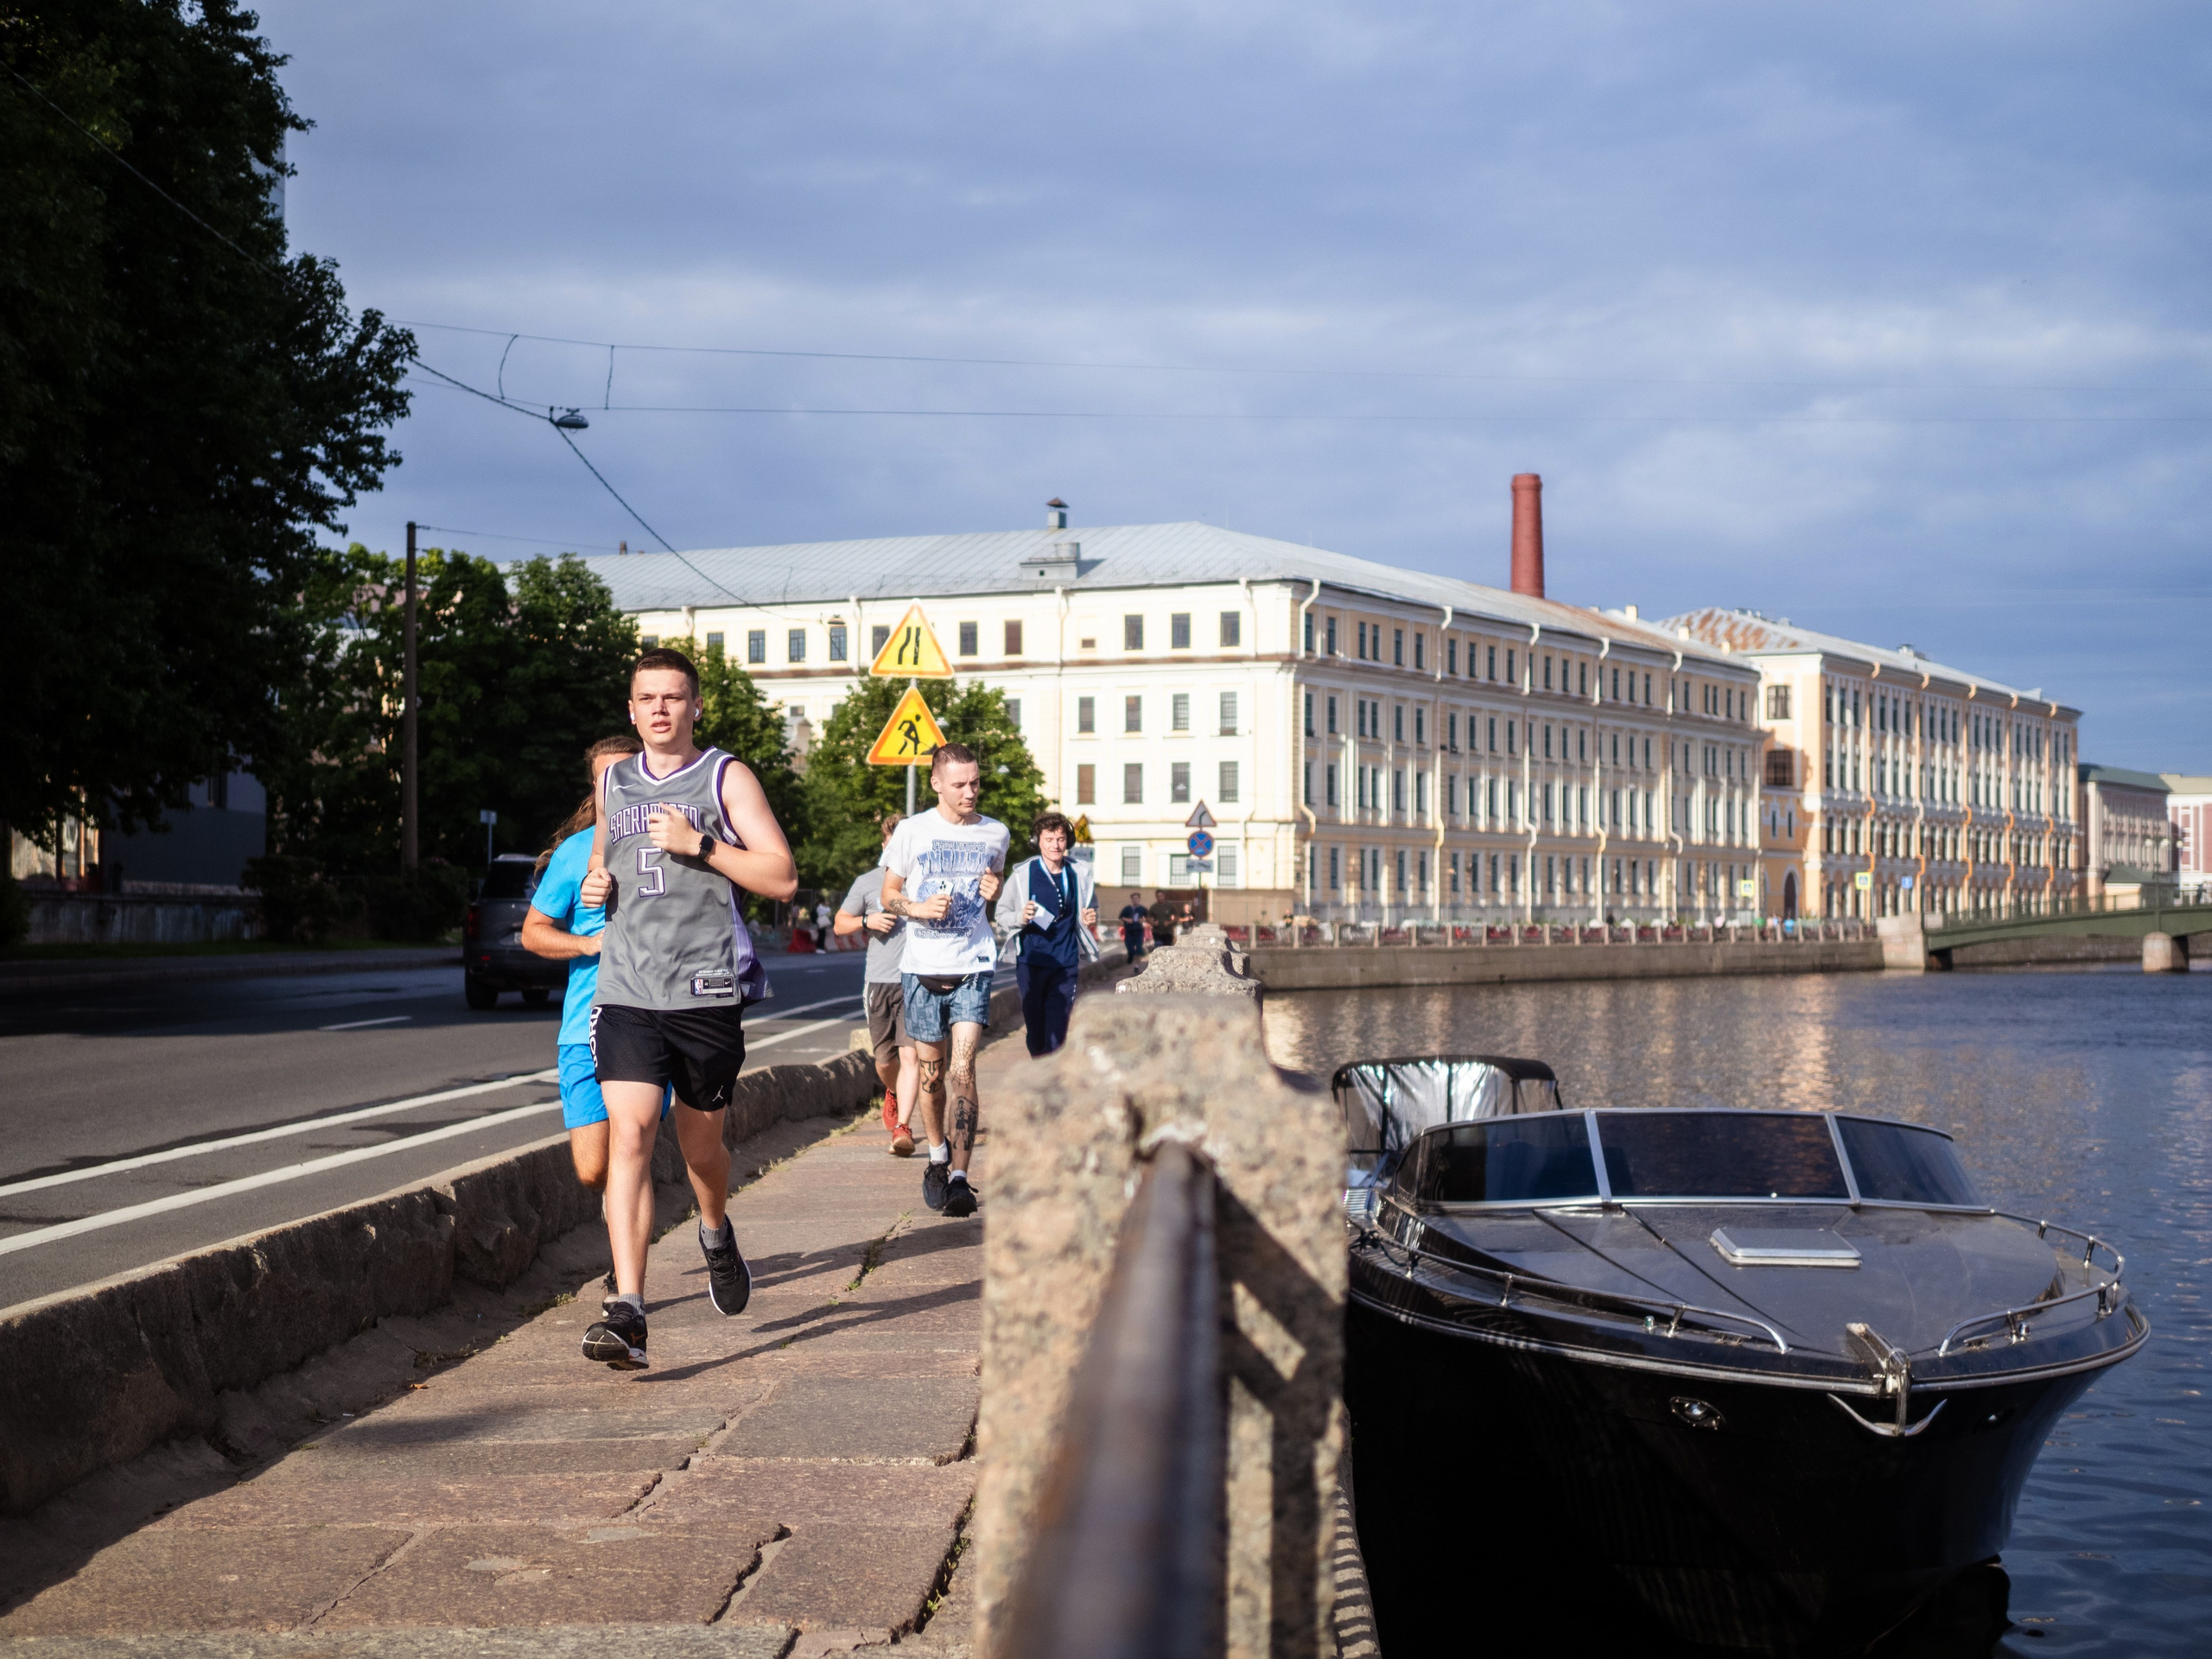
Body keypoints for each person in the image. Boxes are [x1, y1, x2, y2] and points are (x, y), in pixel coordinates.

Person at [575, 647, 798, 1370]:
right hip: (627, 989)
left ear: (696, 706)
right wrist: (596, 883)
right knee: (631, 1133)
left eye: (674, 697)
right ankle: (629, 1312)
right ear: (632, 709)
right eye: (648, 698)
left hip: (704, 990)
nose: (661, 709)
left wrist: (702, 844)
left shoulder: (726, 777)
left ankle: (714, 1230)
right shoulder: (614, 780)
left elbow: (782, 877)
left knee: (702, 1150)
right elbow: (604, 859)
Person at [520, 734, 667, 1195]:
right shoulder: (575, 853)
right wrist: (588, 945)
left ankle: (627, 1245)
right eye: (605, 778)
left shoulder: (672, 841)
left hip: (652, 1020)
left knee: (632, 1149)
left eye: (625, 774)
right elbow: (533, 932)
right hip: (583, 1027)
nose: (615, 786)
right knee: (592, 1170)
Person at [880, 743, 1007, 1220]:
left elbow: (993, 880)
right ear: (936, 783)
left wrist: (994, 888)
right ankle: (936, 1157)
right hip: (922, 968)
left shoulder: (996, 832)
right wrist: (916, 908)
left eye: (975, 782)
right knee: (931, 1079)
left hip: (973, 964)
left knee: (963, 1071)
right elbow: (888, 893)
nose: (970, 792)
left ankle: (959, 1177)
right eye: (960, 784)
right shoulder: (912, 832)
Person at [834, 815, 918, 1155]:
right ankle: (893, 1091)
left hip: (915, 980)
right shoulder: (868, 882)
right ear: (884, 846)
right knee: (884, 1060)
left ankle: (903, 1128)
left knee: (911, 1055)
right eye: (892, 845)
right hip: (879, 980)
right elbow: (840, 924)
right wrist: (867, 920)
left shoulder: (923, 880)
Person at [995, 810, 1098, 1058]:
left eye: (1061, 839)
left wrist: (1090, 917)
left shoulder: (1079, 874)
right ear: (1037, 841)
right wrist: (1020, 917)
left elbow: (1091, 908)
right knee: (1036, 1031)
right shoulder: (1023, 874)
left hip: (1066, 963)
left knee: (1058, 1032)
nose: (1056, 845)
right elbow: (1001, 914)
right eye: (1049, 839)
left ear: (1068, 842)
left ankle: (1051, 1076)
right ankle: (1040, 1067)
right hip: (1032, 963)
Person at [1119, 890, 1152, 962]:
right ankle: (1131, 957)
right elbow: (1121, 917)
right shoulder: (1127, 908)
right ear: (1131, 899)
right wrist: (1127, 920)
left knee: (1139, 948)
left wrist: (1143, 920)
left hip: (1139, 930)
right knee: (1130, 948)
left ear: (1139, 899)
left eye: (1137, 898)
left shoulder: (1143, 909)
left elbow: (1149, 918)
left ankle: (1138, 961)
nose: (1135, 900)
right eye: (1133, 898)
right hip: (1129, 930)